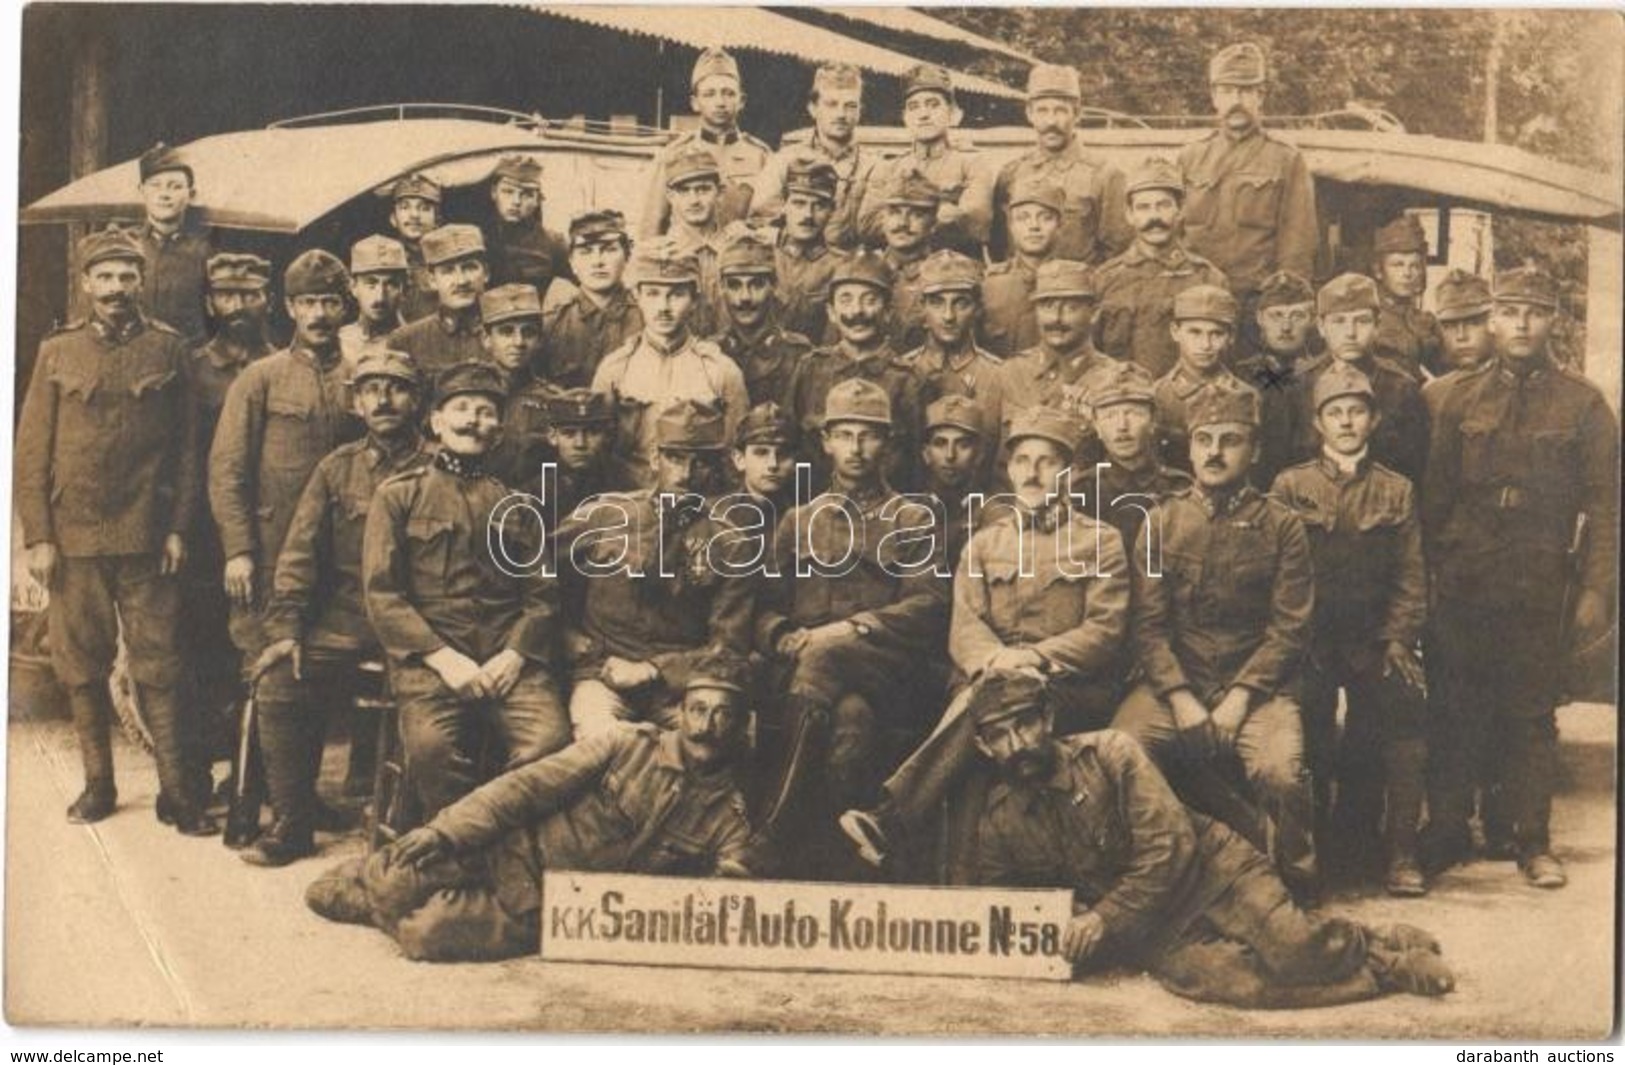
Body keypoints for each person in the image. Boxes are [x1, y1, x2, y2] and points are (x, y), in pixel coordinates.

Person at [965, 673, 1454, 1007]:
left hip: (1215, 873)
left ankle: (1378, 946)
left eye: (1025, 723)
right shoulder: (1001, 819)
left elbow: (1170, 846)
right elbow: (1007, 903)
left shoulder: (1112, 754)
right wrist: (1062, 918)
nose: (1017, 744)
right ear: (983, 748)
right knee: (1231, 983)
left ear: (1047, 719)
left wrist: (1102, 917)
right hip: (1154, 927)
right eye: (999, 735)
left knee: (1290, 948)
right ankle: (1378, 970)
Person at [304, 655, 757, 963]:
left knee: (424, 935)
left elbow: (724, 896)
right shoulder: (625, 744)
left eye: (723, 715)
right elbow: (523, 788)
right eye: (698, 709)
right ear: (679, 713)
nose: (706, 727)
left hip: (547, 912)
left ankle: (381, 894)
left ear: (742, 727)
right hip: (508, 850)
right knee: (371, 885)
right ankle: (384, 882)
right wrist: (444, 832)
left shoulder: (729, 817)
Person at [841, 406, 1129, 876]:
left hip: (1064, 686)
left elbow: (1103, 631)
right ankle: (962, 894)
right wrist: (998, 663)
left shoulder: (1102, 542)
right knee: (986, 724)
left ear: (1071, 472)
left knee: (986, 714)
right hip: (986, 678)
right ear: (1009, 470)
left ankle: (892, 818)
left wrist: (1031, 658)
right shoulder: (984, 543)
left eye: (1047, 461)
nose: (1032, 472)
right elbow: (965, 626)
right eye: (1022, 461)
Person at [1420, 267, 1618, 888]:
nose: (1522, 323)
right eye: (1510, 311)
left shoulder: (1583, 404)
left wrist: (1595, 589)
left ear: (1553, 318)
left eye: (1535, 310)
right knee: (1454, 706)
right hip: (1465, 574)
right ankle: (1449, 830)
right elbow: (1433, 499)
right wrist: (1428, 577)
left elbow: (1607, 507)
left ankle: (1532, 841)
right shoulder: (1453, 399)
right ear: (1492, 320)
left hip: (1538, 578)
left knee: (1530, 712)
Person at [15, 227, 214, 834]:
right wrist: (39, 537)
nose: (117, 289)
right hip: (73, 538)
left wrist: (178, 528)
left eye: (128, 276)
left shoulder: (168, 349)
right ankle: (98, 786)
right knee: (81, 664)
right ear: (85, 285)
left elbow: (186, 452)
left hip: (148, 536)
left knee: (160, 663)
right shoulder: (58, 352)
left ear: (141, 281)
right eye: (105, 277)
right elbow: (30, 452)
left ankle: (178, 795)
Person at [1112, 379, 1318, 898]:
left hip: (1257, 689)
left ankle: (1292, 879)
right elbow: (1148, 627)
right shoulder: (1160, 523)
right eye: (1204, 439)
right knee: (1120, 750)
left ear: (1255, 450)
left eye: (1230, 440)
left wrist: (1239, 701)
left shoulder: (1282, 525)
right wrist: (1180, 699)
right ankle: (1153, 871)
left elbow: (1289, 628)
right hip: (1175, 684)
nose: (1215, 452)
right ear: (1189, 446)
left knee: (1280, 774)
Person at [753, 379, 950, 876]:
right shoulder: (798, 521)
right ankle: (847, 861)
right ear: (826, 442)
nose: (857, 449)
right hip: (809, 676)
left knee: (829, 662)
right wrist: (781, 635)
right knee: (851, 721)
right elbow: (764, 607)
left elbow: (928, 605)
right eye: (845, 435)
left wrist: (855, 629)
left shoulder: (912, 518)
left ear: (887, 444)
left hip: (888, 669)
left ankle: (769, 836)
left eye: (869, 436)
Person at [245, 351, 433, 866]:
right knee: (281, 680)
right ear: (356, 402)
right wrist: (286, 629)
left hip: (422, 625)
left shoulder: (440, 467)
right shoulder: (336, 469)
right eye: (371, 389)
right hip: (348, 621)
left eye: (396, 388)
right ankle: (293, 821)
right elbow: (298, 556)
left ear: (416, 400)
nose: (384, 400)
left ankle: (411, 830)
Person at [362, 362, 571, 819]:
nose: (473, 420)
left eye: (485, 411)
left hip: (506, 660)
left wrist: (514, 656)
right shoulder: (398, 496)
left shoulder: (516, 504)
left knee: (550, 744)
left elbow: (542, 595)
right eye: (460, 409)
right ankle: (462, 853)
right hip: (432, 664)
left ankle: (501, 840)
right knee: (432, 750)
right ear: (436, 422)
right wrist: (443, 658)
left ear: (498, 429)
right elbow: (383, 595)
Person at [209, 250, 361, 844]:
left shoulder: (358, 377)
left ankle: (300, 799)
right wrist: (239, 550)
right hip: (269, 553)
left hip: (331, 559)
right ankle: (247, 807)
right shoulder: (261, 378)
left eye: (329, 302)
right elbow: (226, 472)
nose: (320, 314)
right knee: (261, 672)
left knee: (310, 675)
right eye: (308, 303)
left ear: (343, 307)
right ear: (289, 308)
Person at [1270, 365, 1429, 896]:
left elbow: (1411, 575)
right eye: (1335, 413)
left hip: (1373, 640)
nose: (1346, 422)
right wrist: (1293, 641)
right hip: (1310, 640)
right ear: (1318, 423)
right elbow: (1278, 573)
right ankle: (1312, 856)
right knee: (1307, 740)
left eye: (1356, 411)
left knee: (1398, 724)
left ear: (1374, 419)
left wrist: (1399, 640)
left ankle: (1398, 852)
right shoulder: (1290, 486)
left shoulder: (1396, 490)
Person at [558, 398, 756, 739]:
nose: (686, 474)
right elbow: (535, 580)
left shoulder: (731, 544)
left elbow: (728, 647)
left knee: (717, 740)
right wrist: (566, 636)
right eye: (675, 458)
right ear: (654, 459)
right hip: (603, 676)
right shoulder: (605, 516)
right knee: (602, 738)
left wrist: (653, 670)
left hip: (681, 687)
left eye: (702, 463)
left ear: (718, 469)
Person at [185, 252, 276, 787]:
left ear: (267, 301)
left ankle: (256, 776)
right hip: (202, 536)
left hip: (263, 533)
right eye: (227, 295)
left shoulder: (283, 364)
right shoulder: (194, 369)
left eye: (250, 295)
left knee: (259, 652)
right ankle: (196, 774)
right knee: (203, 649)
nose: (239, 306)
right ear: (210, 302)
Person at [590, 244, 750, 489]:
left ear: (695, 300)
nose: (664, 307)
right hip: (632, 504)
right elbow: (597, 457)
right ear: (637, 297)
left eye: (676, 294)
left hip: (699, 501)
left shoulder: (720, 371)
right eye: (653, 293)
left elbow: (735, 459)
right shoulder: (615, 370)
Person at [1178, 44, 1317, 317]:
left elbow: (1297, 247)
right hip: (1195, 303)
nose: (1236, 101)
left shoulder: (1285, 159)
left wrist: (1280, 306)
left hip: (1255, 304)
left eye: (1245, 90)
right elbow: (1173, 236)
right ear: (1214, 96)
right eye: (1227, 91)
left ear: (1261, 95)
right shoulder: (1190, 157)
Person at [782, 250, 923, 492]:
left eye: (870, 300)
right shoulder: (810, 369)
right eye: (846, 300)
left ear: (888, 311)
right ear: (831, 313)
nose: (857, 311)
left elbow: (917, 462)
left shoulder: (906, 379)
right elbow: (791, 447)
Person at [1093, 157, 1228, 378]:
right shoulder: (1104, 279)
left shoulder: (1209, 279)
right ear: (1129, 215)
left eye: (1163, 205)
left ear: (1181, 210)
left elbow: (1223, 363)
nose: (1154, 217)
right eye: (1143, 207)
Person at [1286, 274, 1429, 482]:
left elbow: (1415, 469)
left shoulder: (1401, 387)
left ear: (1377, 325)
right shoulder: (1297, 385)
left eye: (1362, 321)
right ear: (1321, 327)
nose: (1350, 333)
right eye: (1339, 322)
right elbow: (1279, 465)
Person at [991, 63, 1131, 264]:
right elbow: (1001, 247)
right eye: (1042, 111)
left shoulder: (1105, 174)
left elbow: (1118, 251)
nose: (1051, 122)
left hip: (1080, 289)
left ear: (1077, 113)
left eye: (1060, 111)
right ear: (1029, 114)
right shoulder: (1012, 173)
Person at [854, 63, 993, 253]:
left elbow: (976, 223)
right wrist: (941, 212)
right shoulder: (888, 167)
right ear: (905, 117)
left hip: (952, 269)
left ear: (952, 114)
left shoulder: (972, 164)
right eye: (914, 107)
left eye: (933, 104)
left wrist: (898, 219)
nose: (923, 114)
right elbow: (867, 225)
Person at [639, 47, 771, 239]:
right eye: (710, 94)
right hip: (687, 263)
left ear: (741, 101)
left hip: (740, 262)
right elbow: (651, 225)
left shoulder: (761, 156)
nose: (720, 102)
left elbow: (769, 220)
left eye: (728, 93)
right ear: (695, 102)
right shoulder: (674, 154)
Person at [1078, 359, 1193, 564]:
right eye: (1110, 416)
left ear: (1153, 421)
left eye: (1134, 413)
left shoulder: (1180, 488)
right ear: (1095, 425)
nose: (1122, 426)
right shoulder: (1081, 492)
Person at [749, 63, 872, 250]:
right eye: (831, 104)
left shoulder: (876, 166)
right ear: (813, 108)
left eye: (850, 106)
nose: (841, 114)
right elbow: (761, 219)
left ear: (860, 111)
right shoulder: (784, 161)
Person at [898, 249, 1007, 450]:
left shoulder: (999, 376)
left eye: (961, 303)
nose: (949, 316)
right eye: (937, 303)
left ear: (977, 309)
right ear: (922, 308)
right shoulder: (902, 373)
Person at [995, 259, 1113, 443]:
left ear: (1095, 313)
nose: (1056, 319)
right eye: (1047, 306)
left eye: (1070, 307)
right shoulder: (1010, 374)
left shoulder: (1112, 379)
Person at [1151, 284, 1256, 470]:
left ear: (1231, 336)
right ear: (1175, 331)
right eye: (1195, 332)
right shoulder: (1156, 396)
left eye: (1216, 334)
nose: (1206, 345)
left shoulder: (1247, 397)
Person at [1231, 270, 1319, 488]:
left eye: (1297, 316)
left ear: (1312, 319)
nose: (1286, 327)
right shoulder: (1239, 378)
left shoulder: (1324, 375)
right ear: (1260, 318)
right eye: (1276, 315)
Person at [536, 209, 642, 390]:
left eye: (609, 250)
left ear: (627, 256)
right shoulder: (551, 325)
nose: (598, 261)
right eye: (586, 252)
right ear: (572, 262)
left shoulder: (646, 319)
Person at [710, 229, 813, 407]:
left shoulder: (799, 355)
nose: (745, 297)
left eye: (756, 285)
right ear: (721, 289)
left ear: (774, 286)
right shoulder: (711, 354)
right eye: (734, 286)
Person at [128, 142, 214, 343]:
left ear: (191, 195)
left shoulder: (205, 253)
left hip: (186, 362)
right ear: (141, 191)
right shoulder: (125, 246)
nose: (164, 194)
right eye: (155, 185)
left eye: (175, 186)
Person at [387, 224, 491, 382]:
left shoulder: (508, 336)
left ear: (486, 273)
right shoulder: (405, 341)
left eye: (469, 267)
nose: (461, 281)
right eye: (448, 271)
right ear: (432, 280)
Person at [980, 178, 1065, 358]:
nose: (1034, 226)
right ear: (1010, 225)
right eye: (1023, 218)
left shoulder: (1082, 282)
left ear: (1060, 225)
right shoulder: (988, 285)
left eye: (1046, 217)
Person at [477, 283, 552, 486]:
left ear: (540, 340)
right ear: (486, 339)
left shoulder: (553, 401)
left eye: (528, 332)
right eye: (506, 332)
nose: (518, 342)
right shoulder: (466, 396)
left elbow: (553, 473)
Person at [771, 157, 849, 343]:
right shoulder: (761, 255)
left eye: (819, 206)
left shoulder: (840, 267)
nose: (808, 215)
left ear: (832, 210)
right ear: (784, 205)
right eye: (799, 203)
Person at [915, 394, 993, 570]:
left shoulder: (995, 518)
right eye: (940, 443)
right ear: (926, 454)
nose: (950, 455)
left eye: (962, 445)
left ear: (979, 454)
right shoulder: (907, 513)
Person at [661, 147, 729, 337]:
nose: (694, 200)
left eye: (703, 189)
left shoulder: (738, 248)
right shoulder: (658, 255)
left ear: (720, 193)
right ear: (670, 197)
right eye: (684, 191)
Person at [481, 154, 570, 299]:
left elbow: (587, 284)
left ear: (538, 200)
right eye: (508, 192)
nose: (516, 201)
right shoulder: (477, 239)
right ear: (493, 193)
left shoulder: (553, 243)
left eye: (527, 194)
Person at [539, 388, 635, 520]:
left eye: (592, 432)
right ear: (552, 436)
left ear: (607, 435)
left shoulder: (625, 486)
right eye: (569, 433)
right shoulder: (538, 493)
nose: (580, 444)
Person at [1368, 214, 1442, 382]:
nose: (1407, 274)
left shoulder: (1426, 322)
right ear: (1379, 271)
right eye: (1398, 265)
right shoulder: (1368, 318)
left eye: (1414, 265)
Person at [877, 173, 944, 353]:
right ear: (882, 219)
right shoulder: (861, 270)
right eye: (894, 212)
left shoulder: (944, 277)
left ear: (934, 224)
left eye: (916, 214)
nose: (902, 223)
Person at [1420, 269, 1495, 415]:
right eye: (1450, 326)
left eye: (1473, 323)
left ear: (1492, 323)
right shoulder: (1434, 395)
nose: (1461, 336)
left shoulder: (1521, 386)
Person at [339, 235, 409, 371]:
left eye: (390, 284)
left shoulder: (417, 342)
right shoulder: (338, 342)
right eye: (371, 284)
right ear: (353, 287)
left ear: (403, 289)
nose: (380, 297)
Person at [382, 172, 444, 323]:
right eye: (405, 207)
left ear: (437, 220)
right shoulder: (383, 262)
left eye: (424, 208)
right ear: (393, 219)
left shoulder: (446, 263)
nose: (414, 215)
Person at [731, 401, 800, 515]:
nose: (773, 464)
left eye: (782, 454)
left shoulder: (806, 517)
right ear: (740, 460)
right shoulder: (716, 519)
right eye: (761, 453)